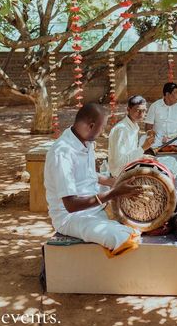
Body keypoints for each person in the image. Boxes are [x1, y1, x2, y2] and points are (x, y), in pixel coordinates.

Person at [44, 102, 147, 258]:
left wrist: (119, 182)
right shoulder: (62, 153)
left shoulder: (86, 141)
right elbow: (71, 205)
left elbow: (92, 175)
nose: (103, 132)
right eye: (102, 127)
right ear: (91, 126)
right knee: (119, 237)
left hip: (97, 203)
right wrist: (114, 193)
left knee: (141, 214)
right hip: (72, 217)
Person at [108, 95, 155, 178]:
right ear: (128, 109)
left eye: (144, 111)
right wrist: (143, 148)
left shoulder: (134, 126)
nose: (141, 114)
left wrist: (142, 156)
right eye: (138, 110)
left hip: (131, 167)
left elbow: (130, 153)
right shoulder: (122, 130)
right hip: (121, 173)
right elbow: (119, 162)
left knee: (168, 162)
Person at [144, 82, 177, 152]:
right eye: (176, 93)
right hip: (159, 138)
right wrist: (151, 135)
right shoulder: (155, 106)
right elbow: (148, 127)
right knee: (143, 140)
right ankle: (173, 148)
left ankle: (165, 148)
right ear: (167, 94)